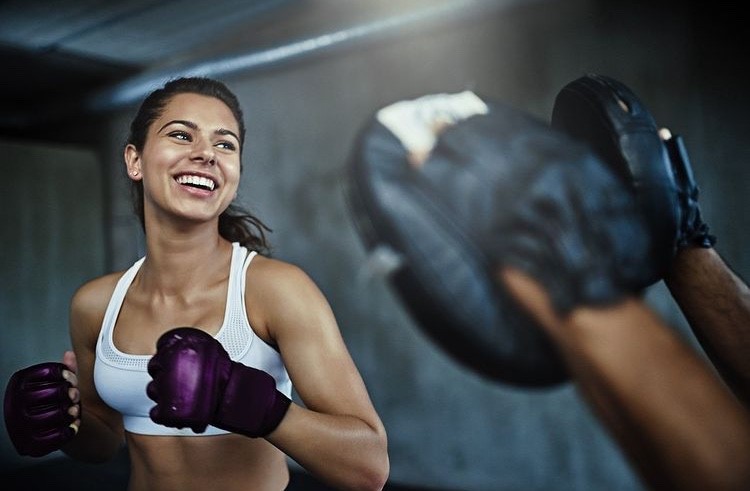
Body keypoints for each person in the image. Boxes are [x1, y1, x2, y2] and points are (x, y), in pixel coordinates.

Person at [4, 77, 389, 491]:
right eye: (181, 135)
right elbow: (104, 440)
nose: (205, 153)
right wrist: (67, 423)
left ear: (236, 173)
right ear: (134, 160)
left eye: (225, 144)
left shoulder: (274, 291)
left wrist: (261, 408)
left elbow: (369, 468)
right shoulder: (95, 303)